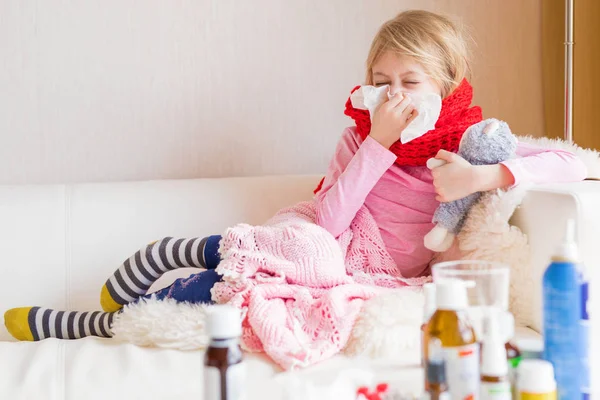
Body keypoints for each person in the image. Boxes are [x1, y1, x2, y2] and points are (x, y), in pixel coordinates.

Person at [4, 10, 586, 341]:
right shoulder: (361, 138)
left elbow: (578, 160)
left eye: (411, 82)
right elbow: (331, 220)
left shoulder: (471, 145)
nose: (395, 95)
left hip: (370, 274)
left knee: (247, 307)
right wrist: (378, 144)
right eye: (382, 81)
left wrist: (482, 180)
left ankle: (96, 324)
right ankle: (176, 250)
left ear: (447, 83)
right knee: (312, 257)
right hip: (321, 240)